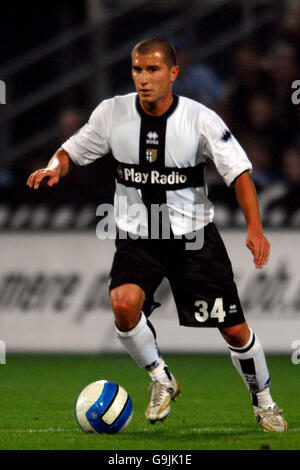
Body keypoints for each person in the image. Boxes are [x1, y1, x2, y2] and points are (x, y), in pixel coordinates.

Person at [27, 37, 288, 432]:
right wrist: (53, 167)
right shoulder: (111, 113)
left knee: (234, 330)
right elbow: (71, 150)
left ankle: (265, 402)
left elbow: (240, 172)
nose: (143, 78)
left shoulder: (199, 118)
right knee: (123, 305)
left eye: (152, 70)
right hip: (138, 237)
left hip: (193, 239)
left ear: (173, 73)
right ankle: (161, 377)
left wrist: (255, 227)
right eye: (136, 69)